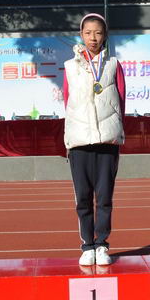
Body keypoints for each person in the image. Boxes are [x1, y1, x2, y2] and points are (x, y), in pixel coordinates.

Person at [63, 13, 126, 266]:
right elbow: (67, 101)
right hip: (80, 140)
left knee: (105, 197)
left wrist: (117, 131)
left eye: (98, 33)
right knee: (83, 198)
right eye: (88, 33)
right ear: (81, 35)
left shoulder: (113, 65)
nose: (93, 38)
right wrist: (70, 134)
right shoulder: (70, 66)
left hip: (107, 141)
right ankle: (87, 246)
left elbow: (121, 100)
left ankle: (102, 245)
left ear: (105, 36)